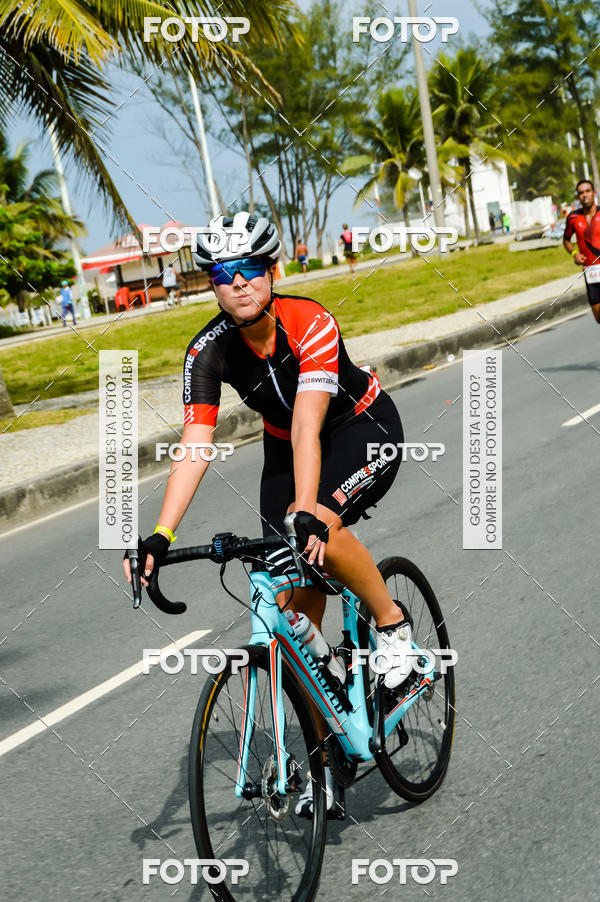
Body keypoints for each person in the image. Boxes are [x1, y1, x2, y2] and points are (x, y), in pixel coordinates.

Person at [123, 212, 412, 816]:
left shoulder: (312, 321)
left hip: (360, 427)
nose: (239, 283)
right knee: (287, 606)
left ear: (273, 271)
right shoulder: (207, 351)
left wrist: (310, 511)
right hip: (285, 444)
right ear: (211, 284)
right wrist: (158, 534)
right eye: (223, 273)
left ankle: (392, 628)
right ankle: (327, 750)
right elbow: (195, 444)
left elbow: (311, 424)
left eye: (250, 269)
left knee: (321, 532)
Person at [563, 178, 600, 324]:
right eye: (581, 193)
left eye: (588, 191)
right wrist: (574, 253)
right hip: (591, 274)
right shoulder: (573, 217)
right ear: (578, 197)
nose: (585, 195)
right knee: (598, 317)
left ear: (594, 193)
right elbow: (566, 240)